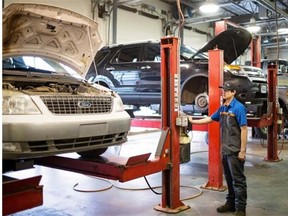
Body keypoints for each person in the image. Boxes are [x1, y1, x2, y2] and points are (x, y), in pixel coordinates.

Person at [188, 81, 248, 216]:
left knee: (238, 181)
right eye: (223, 90)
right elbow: (210, 119)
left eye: (227, 90)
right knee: (229, 178)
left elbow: (244, 129)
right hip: (225, 150)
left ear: (234, 92)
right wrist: (192, 121)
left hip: (235, 150)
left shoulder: (238, 108)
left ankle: (241, 208)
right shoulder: (223, 108)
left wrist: (242, 151)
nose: (224, 92)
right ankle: (231, 204)